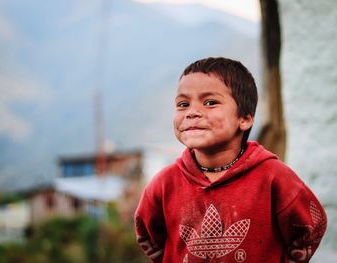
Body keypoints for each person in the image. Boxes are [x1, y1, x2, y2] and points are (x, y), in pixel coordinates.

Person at [134, 57, 327, 262]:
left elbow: (311, 226)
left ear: (244, 118)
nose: (192, 112)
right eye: (183, 104)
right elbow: (147, 233)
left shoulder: (273, 177)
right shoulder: (165, 184)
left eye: (210, 102)